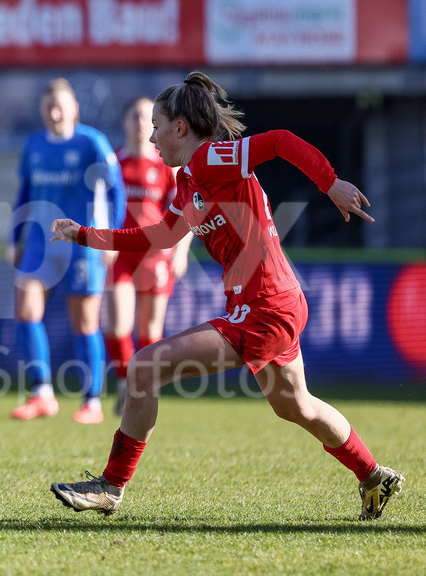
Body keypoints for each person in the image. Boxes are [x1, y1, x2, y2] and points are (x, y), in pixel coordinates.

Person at [49, 72, 403, 520]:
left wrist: (329, 182)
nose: (152, 137)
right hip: (274, 303)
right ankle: (374, 475)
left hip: (264, 308)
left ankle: (110, 487)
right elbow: (159, 235)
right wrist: (83, 235)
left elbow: (279, 141)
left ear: (181, 128)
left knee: (143, 368)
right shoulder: (189, 182)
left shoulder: (213, 159)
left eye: (157, 126)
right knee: (296, 406)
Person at [8, 78, 126, 425]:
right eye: (48, 107)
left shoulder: (92, 142)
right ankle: (42, 393)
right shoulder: (33, 145)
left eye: (60, 105)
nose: (55, 112)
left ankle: (92, 401)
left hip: (81, 243)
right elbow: (25, 193)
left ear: (75, 108)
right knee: (26, 309)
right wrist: (14, 236)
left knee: (84, 320)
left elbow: (115, 191)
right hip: (39, 244)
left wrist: (111, 237)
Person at [106, 98, 193, 416]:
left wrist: (180, 250)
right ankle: (123, 383)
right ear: (126, 122)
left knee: (150, 331)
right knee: (117, 327)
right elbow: (100, 205)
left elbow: (188, 209)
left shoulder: (166, 165)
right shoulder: (113, 161)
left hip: (156, 255)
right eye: (136, 116)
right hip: (120, 255)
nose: (142, 122)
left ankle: (141, 391)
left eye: (149, 118)